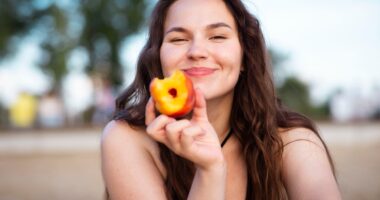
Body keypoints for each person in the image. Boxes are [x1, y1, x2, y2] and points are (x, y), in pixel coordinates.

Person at [101, 0, 342, 199]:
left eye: (217, 36)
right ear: (158, 57)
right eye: (178, 39)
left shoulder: (291, 141)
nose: (196, 51)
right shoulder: (126, 137)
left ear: (245, 57)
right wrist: (210, 171)